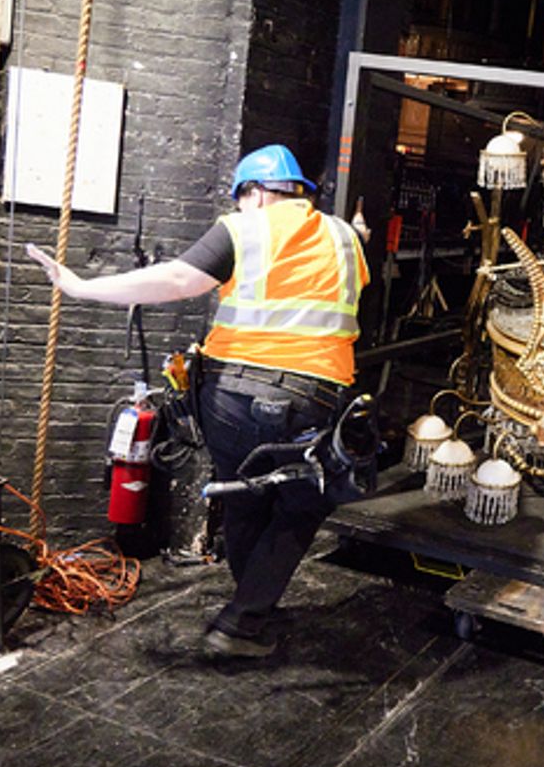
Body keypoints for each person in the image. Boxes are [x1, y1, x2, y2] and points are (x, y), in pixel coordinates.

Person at [29, 144, 371, 658]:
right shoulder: (346, 237)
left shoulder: (244, 227)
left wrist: (82, 287)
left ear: (254, 194)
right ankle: (244, 619)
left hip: (230, 397)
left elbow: (177, 279)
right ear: (298, 190)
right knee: (303, 505)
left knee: (243, 500)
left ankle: (248, 610)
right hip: (312, 396)